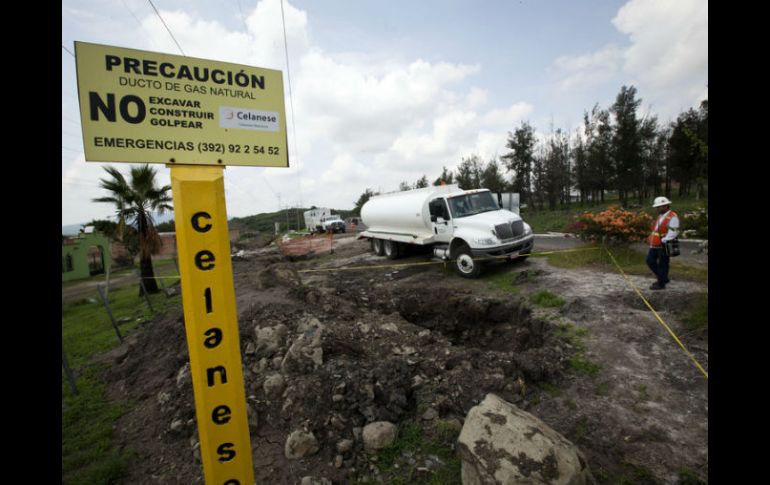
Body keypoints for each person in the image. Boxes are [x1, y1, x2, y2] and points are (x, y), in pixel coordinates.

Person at [646, 196, 679, 290]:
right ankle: (663, 278)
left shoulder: (673, 217)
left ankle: (661, 283)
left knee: (663, 264)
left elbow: (673, 232)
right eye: (657, 207)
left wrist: (663, 240)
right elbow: (656, 230)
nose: (657, 208)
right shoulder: (660, 216)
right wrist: (650, 238)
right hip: (655, 244)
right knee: (650, 261)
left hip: (664, 244)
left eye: (659, 207)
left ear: (666, 206)